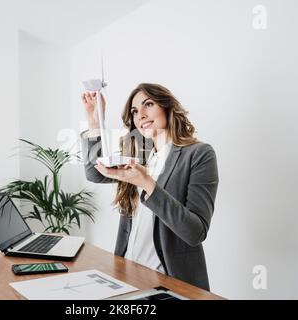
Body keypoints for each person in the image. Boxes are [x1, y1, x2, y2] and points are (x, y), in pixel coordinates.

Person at [80, 83, 219, 290]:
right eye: (135, 111)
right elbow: (95, 173)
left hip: (169, 281)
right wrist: (93, 121)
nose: (141, 115)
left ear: (167, 106)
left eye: (149, 104)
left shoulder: (199, 154)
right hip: (127, 275)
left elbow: (194, 232)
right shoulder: (138, 157)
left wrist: (145, 182)